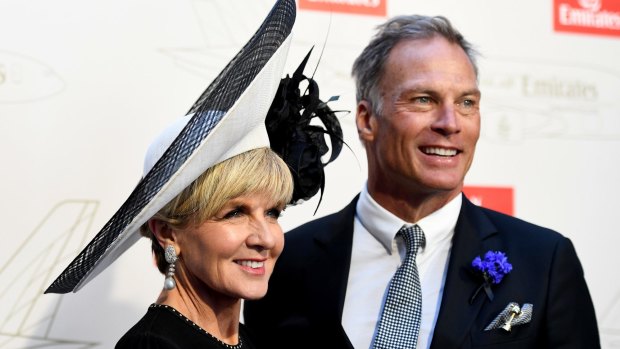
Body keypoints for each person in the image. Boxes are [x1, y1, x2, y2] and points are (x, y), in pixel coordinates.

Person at [243, 14, 600, 348]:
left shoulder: (544, 263)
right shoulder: (287, 262)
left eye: (466, 103)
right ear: (367, 120)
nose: (450, 123)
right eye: (424, 99)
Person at [45, 0, 341, 347]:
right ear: (168, 232)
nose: (266, 238)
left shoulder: (247, 340)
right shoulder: (154, 346)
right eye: (235, 212)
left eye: (273, 212)